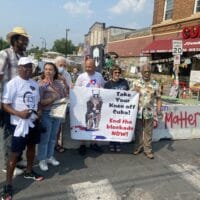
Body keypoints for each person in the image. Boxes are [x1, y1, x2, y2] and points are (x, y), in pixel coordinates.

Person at [1, 57, 44, 200]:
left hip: (32, 123)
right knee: (15, 153)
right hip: (18, 125)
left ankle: (29, 171)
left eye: (30, 67)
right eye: (24, 67)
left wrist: (38, 112)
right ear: (19, 68)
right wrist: (18, 113)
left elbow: (37, 102)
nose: (27, 70)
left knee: (32, 148)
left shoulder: (34, 84)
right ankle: (8, 184)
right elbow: (5, 105)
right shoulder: (12, 84)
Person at [0, 27, 30, 176]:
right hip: (7, 100)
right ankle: (8, 164)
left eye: (26, 39)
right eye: (23, 39)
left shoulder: (23, 55)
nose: (25, 42)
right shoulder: (5, 54)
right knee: (9, 132)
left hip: (21, 101)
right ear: (14, 40)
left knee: (20, 131)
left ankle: (17, 159)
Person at [37, 62, 65, 171]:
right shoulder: (40, 84)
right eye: (46, 69)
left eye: (51, 69)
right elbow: (39, 102)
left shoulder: (58, 84)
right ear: (44, 71)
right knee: (45, 138)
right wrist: (51, 99)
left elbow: (63, 97)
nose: (48, 71)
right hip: (46, 114)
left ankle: (49, 156)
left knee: (53, 138)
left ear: (54, 72)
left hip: (57, 113)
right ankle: (42, 159)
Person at [75, 58, 105, 156]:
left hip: (96, 103)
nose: (88, 68)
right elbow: (76, 90)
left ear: (94, 66)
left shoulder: (99, 76)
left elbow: (103, 89)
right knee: (85, 122)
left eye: (90, 66)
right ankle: (82, 144)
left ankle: (94, 143)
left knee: (95, 121)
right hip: (84, 104)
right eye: (86, 66)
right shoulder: (81, 77)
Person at [132, 64, 162, 159]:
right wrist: (134, 91)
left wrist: (158, 109)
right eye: (145, 71)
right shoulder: (135, 83)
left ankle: (148, 150)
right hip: (137, 112)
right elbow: (128, 96)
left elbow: (159, 98)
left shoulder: (155, 84)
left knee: (148, 132)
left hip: (149, 112)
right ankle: (138, 148)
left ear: (150, 72)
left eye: (148, 71)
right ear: (141, 72)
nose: (147, 73)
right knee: (138, 131)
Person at [104, 65, 129, 152]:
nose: (117, 74)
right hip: (111, 110)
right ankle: (111, 143)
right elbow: (105, 97)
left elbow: (129, 94)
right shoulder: (107, 84)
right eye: (115, 72)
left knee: (119, 126)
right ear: (112, 73)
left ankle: (117, 143)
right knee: (112, 126)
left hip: (122, 109)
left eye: (119, 72)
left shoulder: (124, 82)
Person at [54, 56, 71, 153]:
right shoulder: (51, 73)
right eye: (61, 65)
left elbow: (69, 89)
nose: (63, 67)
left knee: (58, 126)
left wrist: (65, 83)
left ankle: (56, 144)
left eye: (64, 65)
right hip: (50, 103)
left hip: (62, 103)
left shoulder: (67, 74)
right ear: (56, 65)